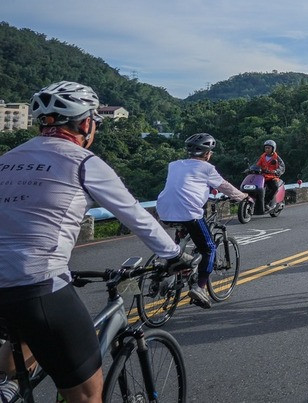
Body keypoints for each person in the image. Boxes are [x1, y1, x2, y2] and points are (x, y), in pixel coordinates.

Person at [0, 81, 190, 403]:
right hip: (37, 285)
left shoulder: (7, 159)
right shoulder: (84, 162)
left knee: (20, 348)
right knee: (87, 395)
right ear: (86, 123)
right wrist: (173, 255)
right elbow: (136, 216)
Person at [154, 133, 249, 309]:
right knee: (209, 248)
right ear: (207, 154)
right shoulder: (207, 169)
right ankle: (200, 287)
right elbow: (224, 186)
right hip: (189, 212)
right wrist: (243, 197)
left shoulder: (173, 165)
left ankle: (171, 268)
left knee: (181, 239)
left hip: (164, 210)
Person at [252, 139, 286, 206]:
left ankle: (267, 202)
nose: (267, 149)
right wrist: (252, 168)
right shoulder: (262, 157)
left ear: (273, 149)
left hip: (272, 177)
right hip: (262, 176)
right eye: (266, 148)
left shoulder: (277, 158)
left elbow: (282, 167)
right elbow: (257, 165)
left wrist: (276, 171)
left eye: (269, 148)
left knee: (275, 187)